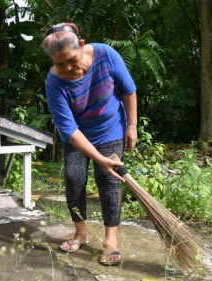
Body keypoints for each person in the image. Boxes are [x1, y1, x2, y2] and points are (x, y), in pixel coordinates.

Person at [42, 22, 137, 266]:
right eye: (60, 63)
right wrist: (98, 158)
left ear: (81, 46)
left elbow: (128, 89)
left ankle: (111, 240)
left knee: (108, 181)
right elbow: (70, 129)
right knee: (74, 178)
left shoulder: (106, 55)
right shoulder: (54, 83)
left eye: (72, 59)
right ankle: (80, 233)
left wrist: (131, 126)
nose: (69, 68)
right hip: (77, 136)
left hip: (110, 129)